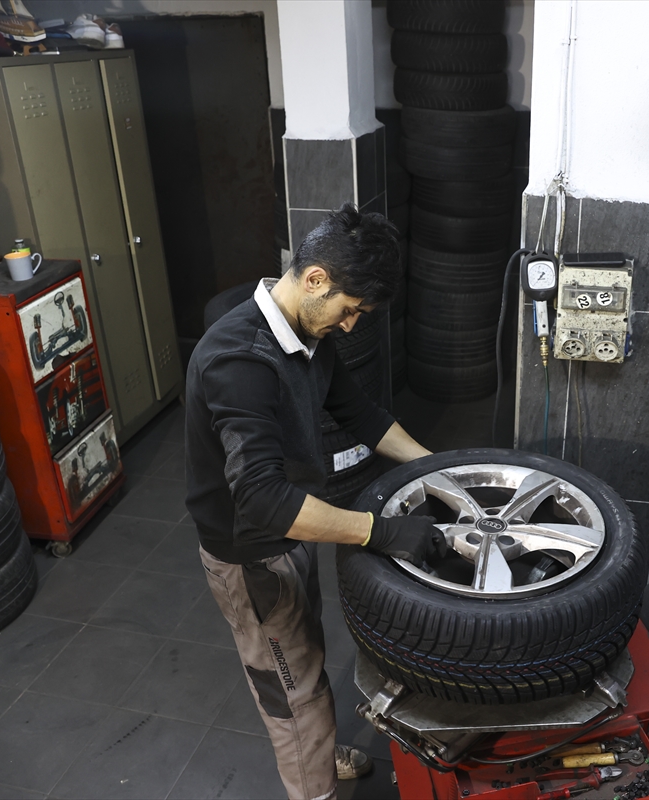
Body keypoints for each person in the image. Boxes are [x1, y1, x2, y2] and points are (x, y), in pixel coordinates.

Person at [184, 204, 444, 800]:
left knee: (306, 658)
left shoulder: (304, 329)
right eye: (350, 311)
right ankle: (315, 785)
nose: (351, 326)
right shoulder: (240, 362)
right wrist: (379, 531)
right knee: (290, 690)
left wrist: (439, 472)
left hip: (294, 532)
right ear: (315, 279)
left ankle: (318, 748)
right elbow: (264, 501)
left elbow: (360, 414)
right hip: (251, 554)